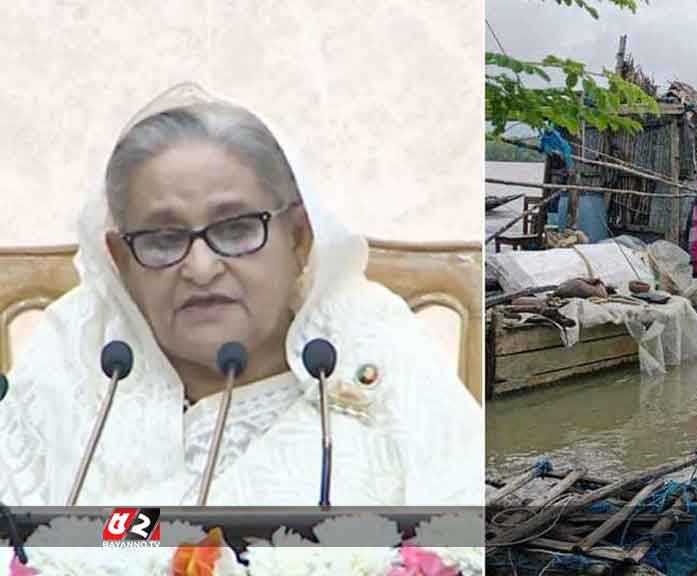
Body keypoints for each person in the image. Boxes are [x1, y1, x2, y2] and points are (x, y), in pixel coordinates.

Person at [0, 84, 483, 506]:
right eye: (162, 239)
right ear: (120, 260)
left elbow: (452, 537)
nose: (201, 268)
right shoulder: (75, 360)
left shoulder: (374, 348)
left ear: (298, 238)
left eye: (235, 229)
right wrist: (158, 544)